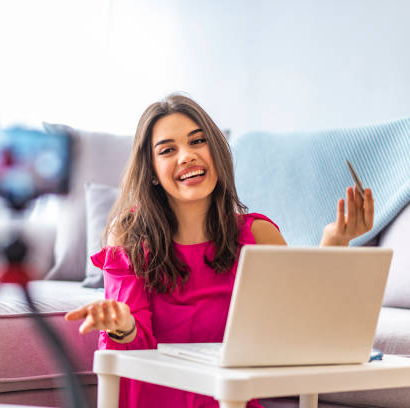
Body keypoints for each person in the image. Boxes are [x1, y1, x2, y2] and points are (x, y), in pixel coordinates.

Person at [64, 94, 374, 408]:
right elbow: (134, 346)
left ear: (216, 152)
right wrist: (122, 326)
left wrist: (334, 244)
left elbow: (299, 332)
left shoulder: (257, 234)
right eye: (168, 150)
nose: (186, 156)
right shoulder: (129, 236)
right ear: (152, 172)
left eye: (197, 142)